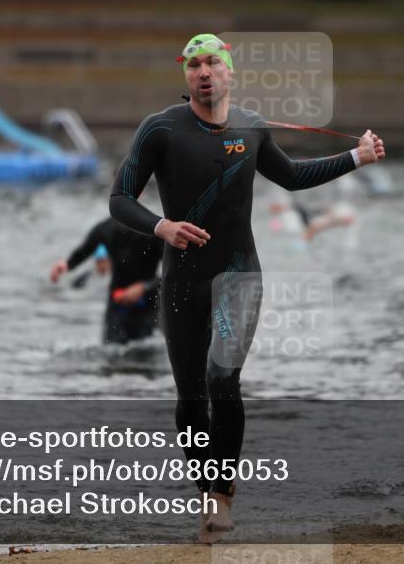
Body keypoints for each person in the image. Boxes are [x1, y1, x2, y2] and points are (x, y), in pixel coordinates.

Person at [109, 34, 385, 542]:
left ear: (230, 71)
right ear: (186, 75)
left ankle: (222, 500)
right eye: (194, 65)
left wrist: (357, 158)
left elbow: (293, 178)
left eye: (213, 62)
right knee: (190, 400)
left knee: (222, 379)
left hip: (240, 274)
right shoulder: (160, 129)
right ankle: (206, 494)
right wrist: (161, 227)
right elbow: (120, 198)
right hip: (182, 281)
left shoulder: (253, 127)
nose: (203, 72)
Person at [50, 217, 162, 345]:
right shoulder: (104, 229)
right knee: (110, 350)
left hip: (147, 304)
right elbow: (83, 252)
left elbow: (171, 273)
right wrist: (66, 264)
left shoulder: (153, 229)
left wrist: (143, 288)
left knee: (146, 352)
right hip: (117, 301)